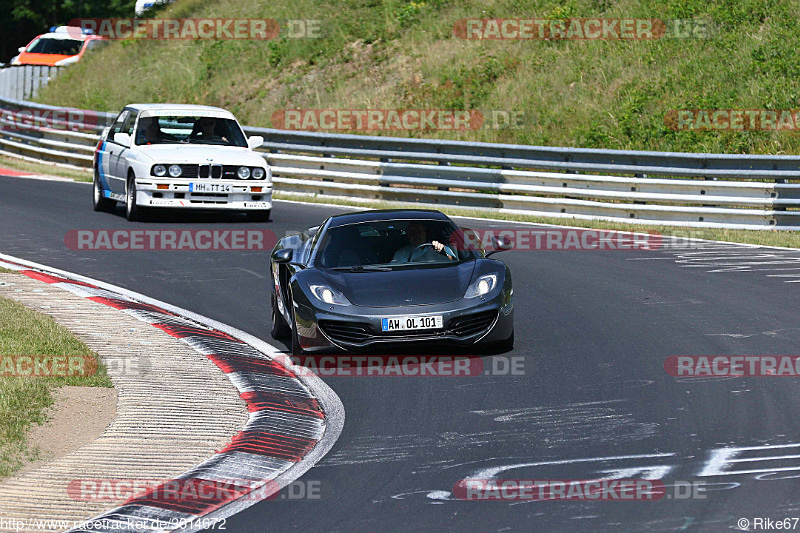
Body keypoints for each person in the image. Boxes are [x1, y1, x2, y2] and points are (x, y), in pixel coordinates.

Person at [391, 221, 457, 262]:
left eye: (419, 231)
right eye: (412, 232)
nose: (416, 235)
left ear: (425, 232)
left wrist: (443, 251)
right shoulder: (401, 253)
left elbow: (456, 263)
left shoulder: (439, 247)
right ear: (408, 235)